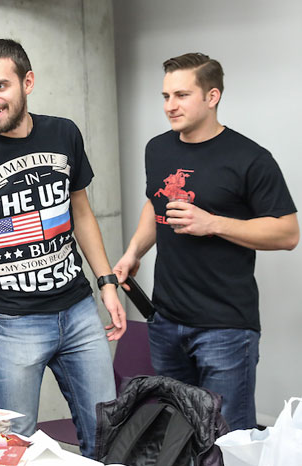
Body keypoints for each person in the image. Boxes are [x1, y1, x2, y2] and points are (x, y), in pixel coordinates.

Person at [0, 39, 126, 457]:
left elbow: (80, 210)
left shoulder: (63, 132)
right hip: (14, 326)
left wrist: (106, 282)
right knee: (14, 450)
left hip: (79, 312)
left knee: (108, 439)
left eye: (0, 86)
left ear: (27, 82)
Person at [113, 53, 298, 431]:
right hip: (165, 320)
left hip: (225, 328)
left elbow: (287, 232)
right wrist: (134, 252)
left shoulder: (250, 158)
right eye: (165, 96)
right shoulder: (158, 148)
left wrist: (213, 223)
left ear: (212, 96)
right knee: (178, 437)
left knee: (226, 441)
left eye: (181, 95)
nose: (170, 106)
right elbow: (155, 204)